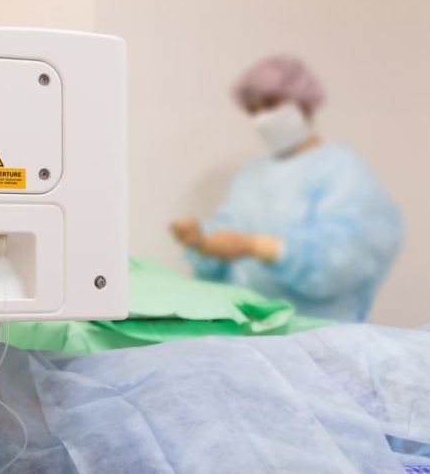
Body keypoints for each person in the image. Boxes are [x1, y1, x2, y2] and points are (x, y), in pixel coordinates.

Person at [170, 54, 402, 323]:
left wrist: (253, 245)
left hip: (324, 334)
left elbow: (341, 263)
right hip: (252, 332)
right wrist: (202, 243)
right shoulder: (251, 176)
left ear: (303, 102)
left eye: (270, 104)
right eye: (253, 110)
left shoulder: (341, 168)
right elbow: (224, 246)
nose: (261, 119)